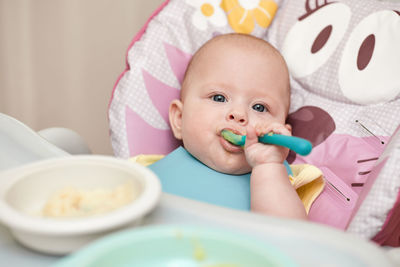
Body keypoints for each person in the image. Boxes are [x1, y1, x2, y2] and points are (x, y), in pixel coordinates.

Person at [167, 33, 308, 220]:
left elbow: (291, 238)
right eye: (219, 98)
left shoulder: (278, 181)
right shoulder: (141, 174)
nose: (239, 114)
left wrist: (268, 166)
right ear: (179, 118)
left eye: (259, 107)